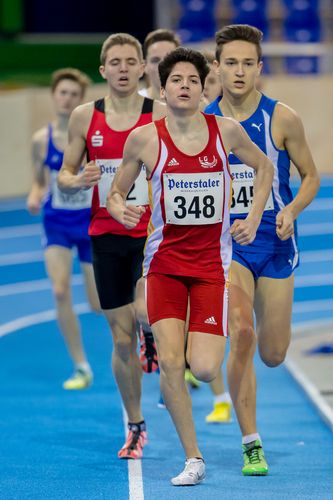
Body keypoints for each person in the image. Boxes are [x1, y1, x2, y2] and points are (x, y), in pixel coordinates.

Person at [107, 47, 274, 485]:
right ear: (164, 89)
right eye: (176, 80)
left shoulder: (227, 131)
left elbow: (264, 168)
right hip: (163, 266)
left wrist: (253, 216)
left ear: (205, 89)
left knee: (203, 368)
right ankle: (193, 457)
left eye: (192, 81)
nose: (184, 86)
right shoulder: (145, 139)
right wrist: (119, 207)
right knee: (169, 361)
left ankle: (162, 336)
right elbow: (116, 191)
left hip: (210, 269)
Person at [205, 24, 320, 475]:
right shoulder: (204, 121)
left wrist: (291, 208)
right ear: (216, 67)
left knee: (273, 353)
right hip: (230, 244)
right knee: (242, 333)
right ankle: (251, 440)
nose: (238, 71)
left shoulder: (282, 118)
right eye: (229, 63)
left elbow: (311, 175)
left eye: (246, 63)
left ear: (259, 68)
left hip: (275, 239)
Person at [57, 33, 165, 459]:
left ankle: (151, 329)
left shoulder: (159, 114)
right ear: (103, 71)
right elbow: (65, 173)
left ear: (142, 68)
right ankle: (136, 424)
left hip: (153, 238)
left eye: (130, 61)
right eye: (114, 62)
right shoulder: (85, 117)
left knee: (144, 312)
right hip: (105, 237)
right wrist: (76, 179)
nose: (122, 68)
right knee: (121, 343)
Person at [27, 68, 100, 390]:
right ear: (54, 96)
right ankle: (81, 365)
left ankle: (142, 337)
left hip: (90, 224)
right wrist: (33, 194)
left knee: (99, 304)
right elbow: (39, 181)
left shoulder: (90, 138)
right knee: (59, 291)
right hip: (56, 223)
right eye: (63, 93)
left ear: (80, 100)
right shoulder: (41, 141)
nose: (67, 99)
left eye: (74, 94)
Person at [140, 28, 180, 100]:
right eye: (155, 60)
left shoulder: (197, 104)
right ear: (145, 66)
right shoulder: (132, 105)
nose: (162, 66)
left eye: (169, 59)